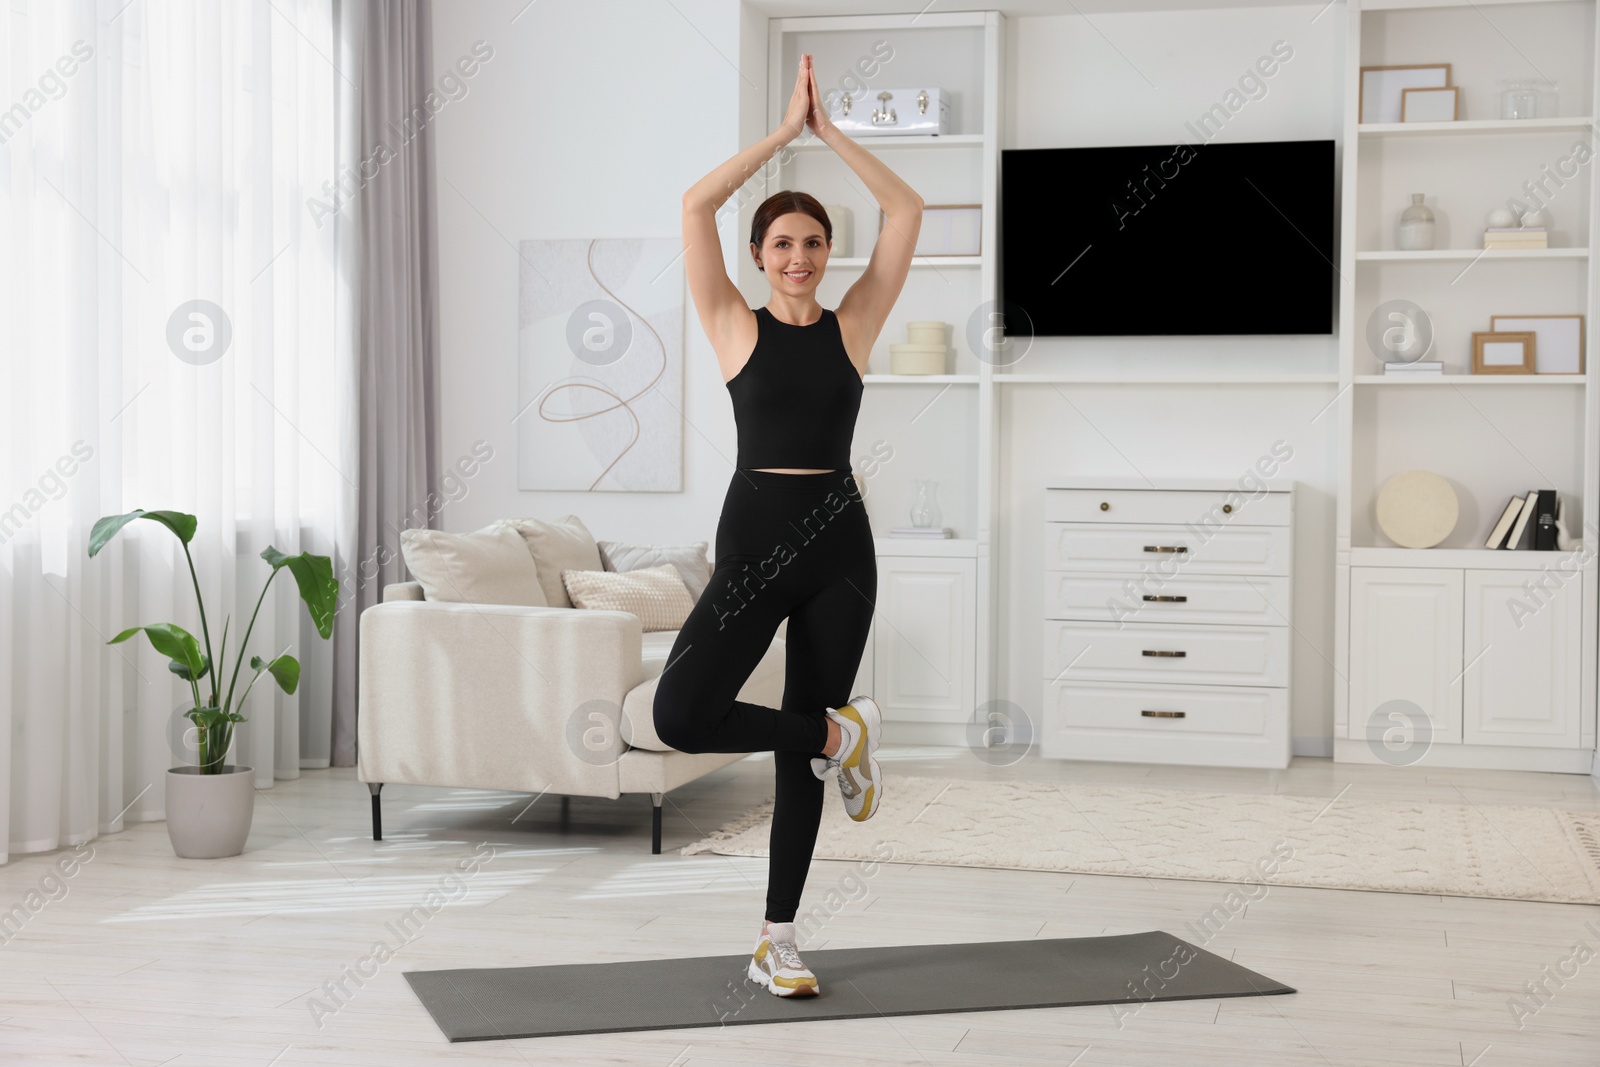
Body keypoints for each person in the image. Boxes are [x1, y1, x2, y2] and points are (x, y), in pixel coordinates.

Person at [652, 52, 923, 998]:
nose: (800, 255)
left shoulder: (853, 326)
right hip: (755, 543)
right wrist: (780, 136)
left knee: (799, 770)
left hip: (840, 549)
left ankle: (779, 938)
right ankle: (835, 733)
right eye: (782, 243)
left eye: (813, 242)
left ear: (826, 253)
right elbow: (694, 207)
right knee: (678, 715)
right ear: (760, 257)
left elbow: (908, 212)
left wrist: (830, 135)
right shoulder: (734, 324)